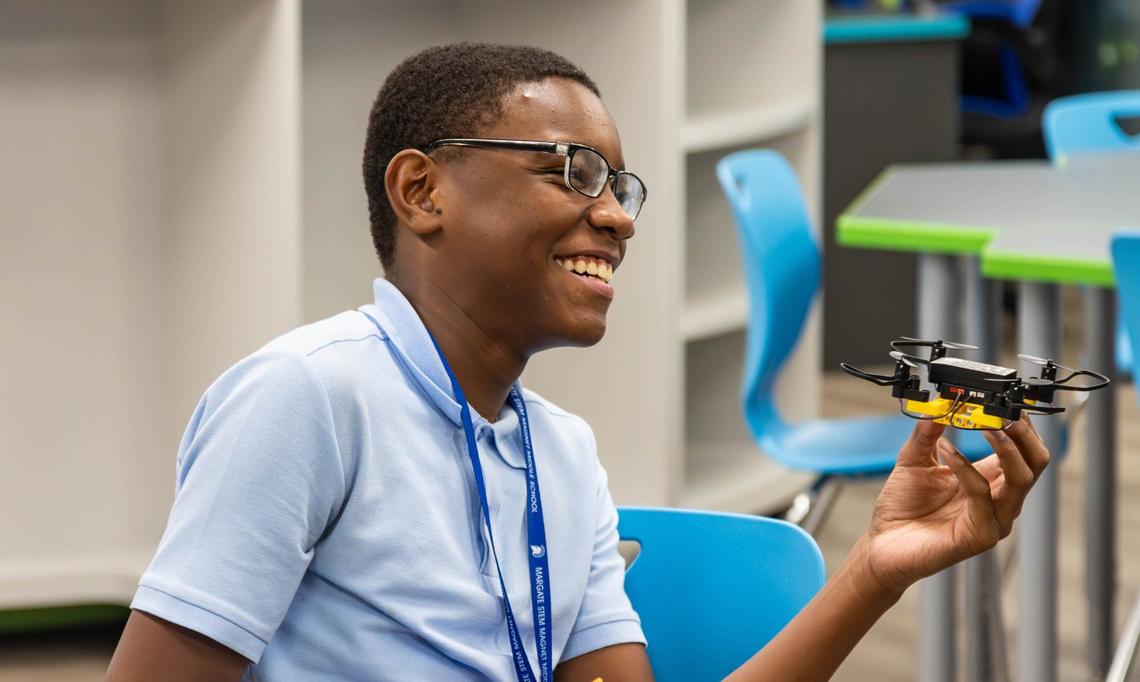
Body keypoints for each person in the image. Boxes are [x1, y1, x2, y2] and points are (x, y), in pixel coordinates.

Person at [106, 43, 1049, 681]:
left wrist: (874, 571)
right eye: (572, 171)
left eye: (621, 185)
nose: (618, 215)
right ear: (421, 190)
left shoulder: (560, 453)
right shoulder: (309, 396)